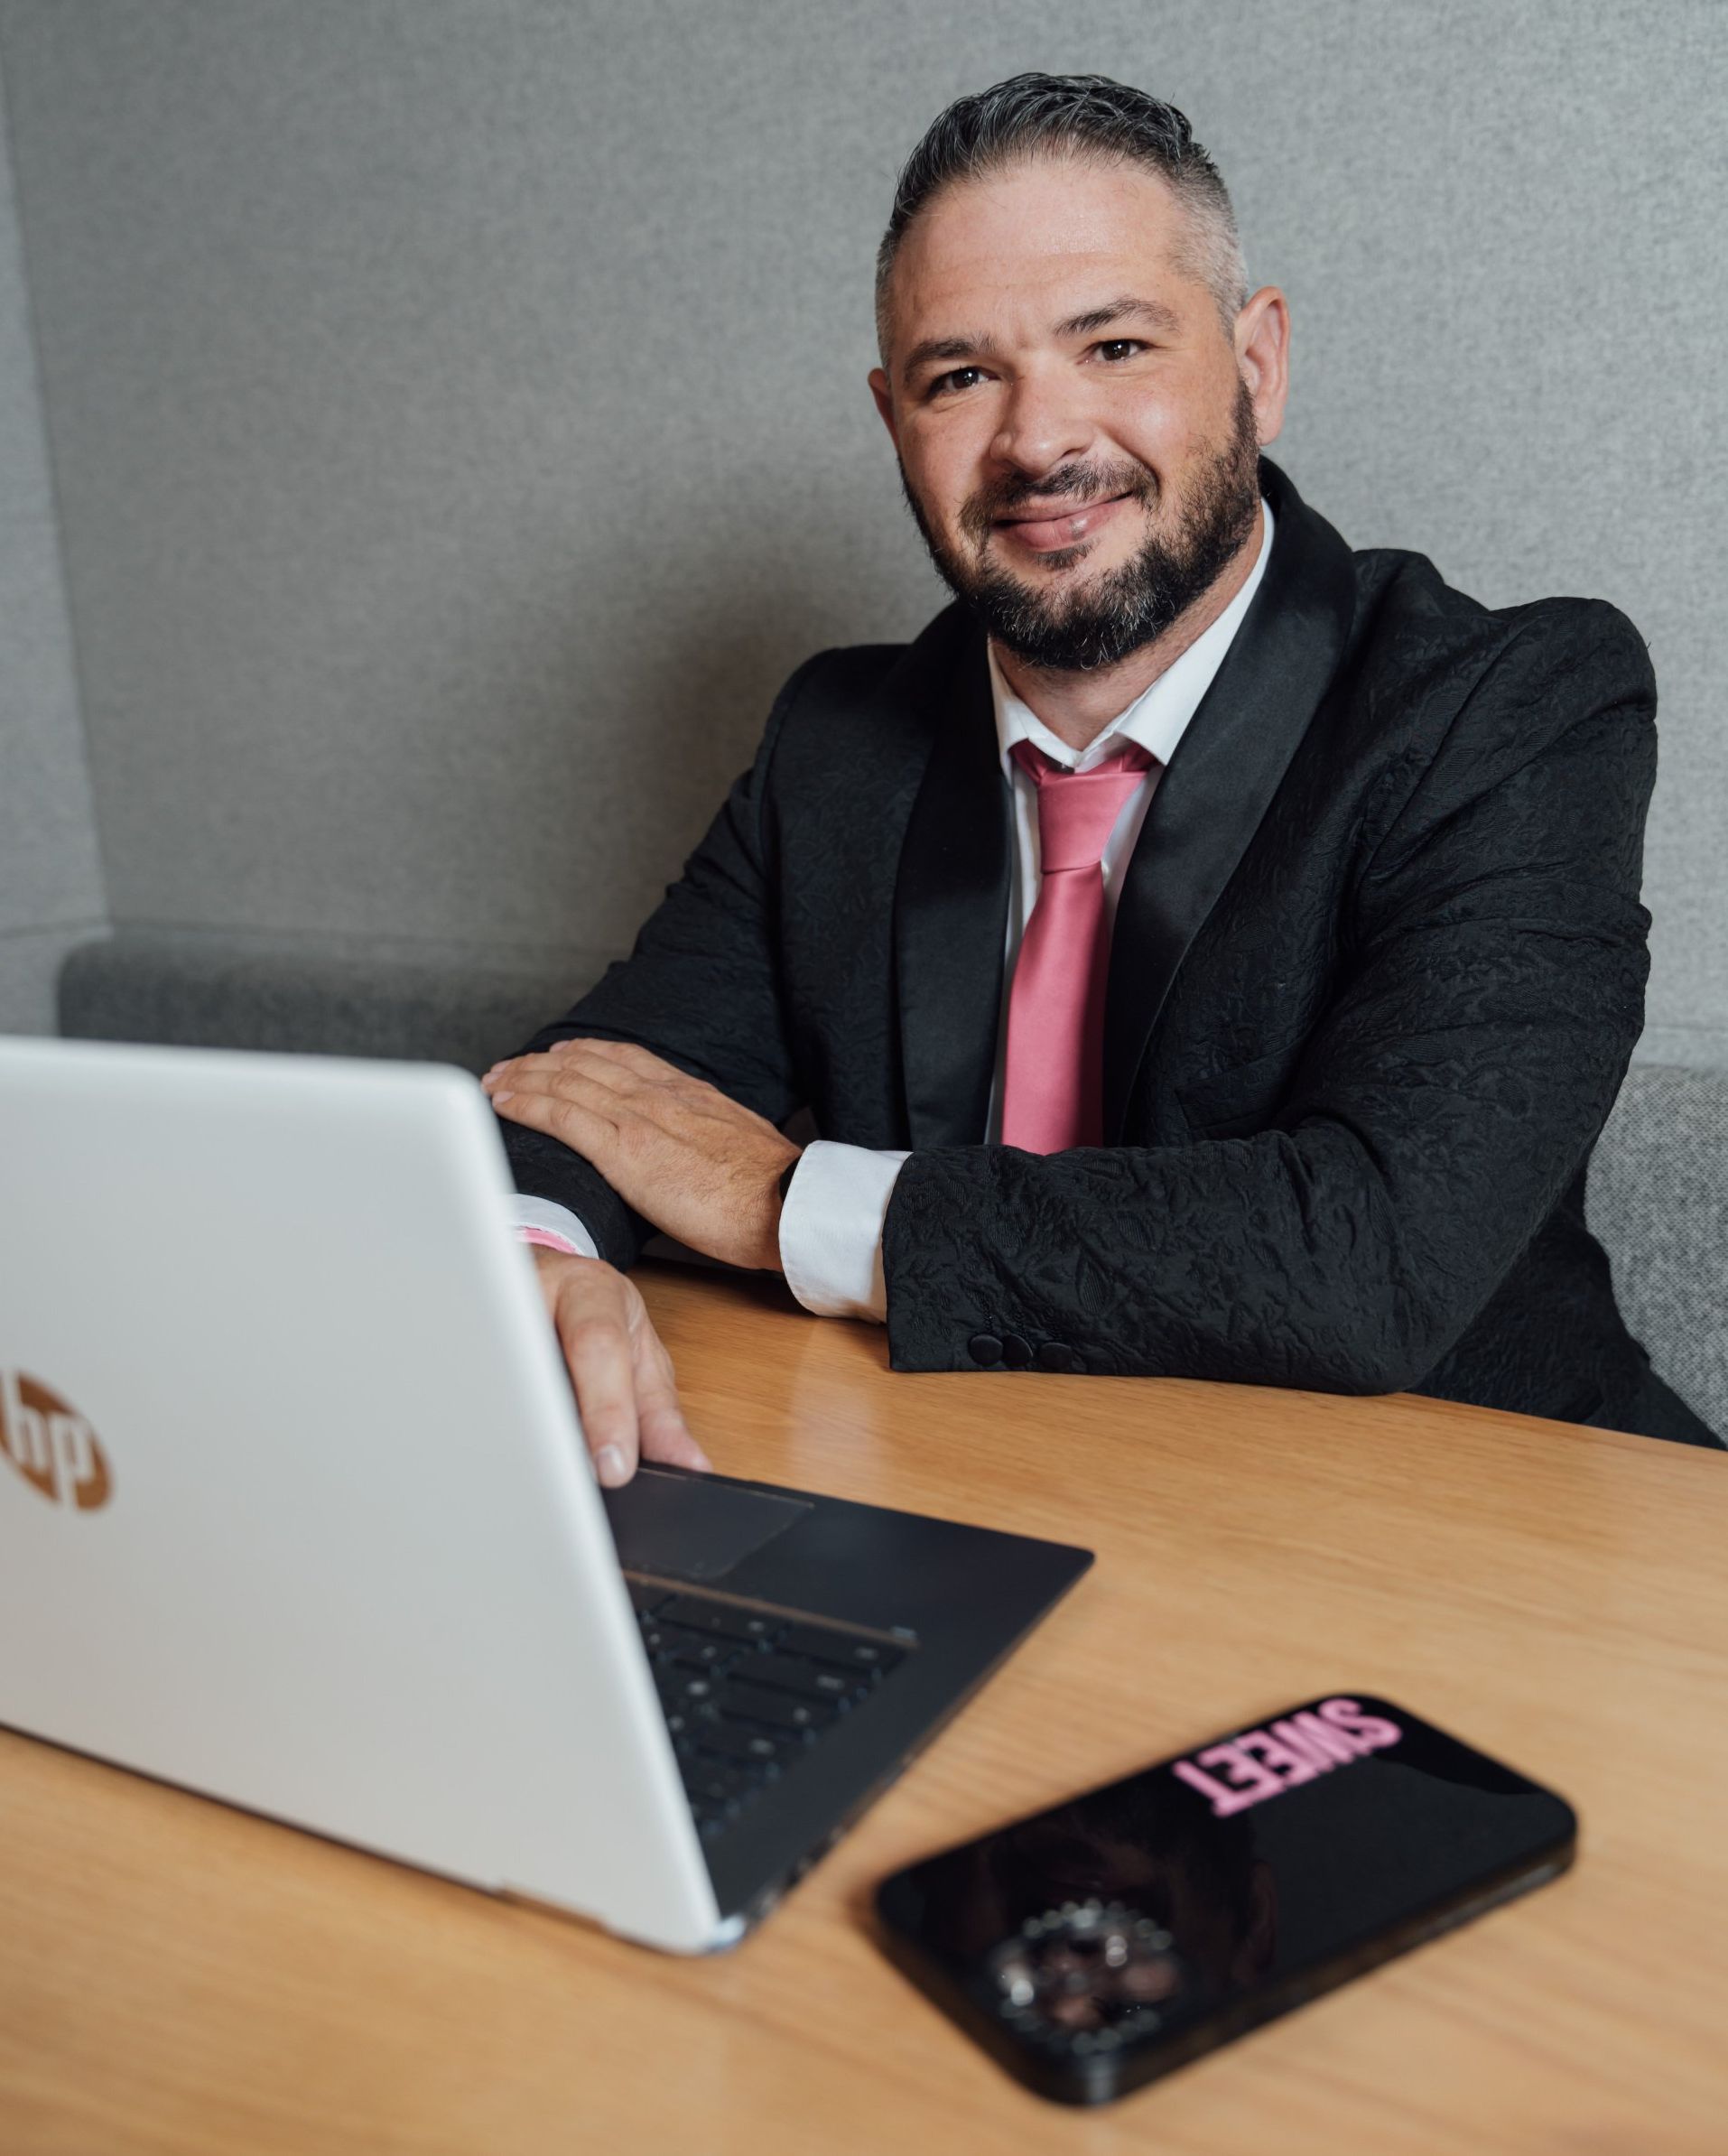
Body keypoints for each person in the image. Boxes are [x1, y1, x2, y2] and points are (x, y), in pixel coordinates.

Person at [480, 73, 1723, 1482]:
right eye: (961, 376)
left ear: (1255, 361)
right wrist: (536, 1258)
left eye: (1114, 345)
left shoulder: (1506, 705)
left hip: (1490, 1530)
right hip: (995, 1505)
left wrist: (784, 1200)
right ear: (894, 417)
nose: (1039, 440)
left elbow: (1371, 1256)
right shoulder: (837, 740)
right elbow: (593, 1091)